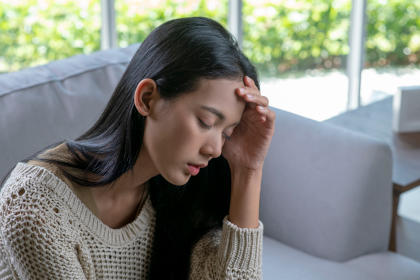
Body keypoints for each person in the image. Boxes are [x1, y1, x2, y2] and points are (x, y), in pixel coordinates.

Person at [0, 17, 275, 279]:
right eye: (206, 122)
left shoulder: (178, 194)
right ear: (147, 98)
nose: (215, 149)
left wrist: (249, 169)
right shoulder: (36, 207)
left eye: (227, 133)